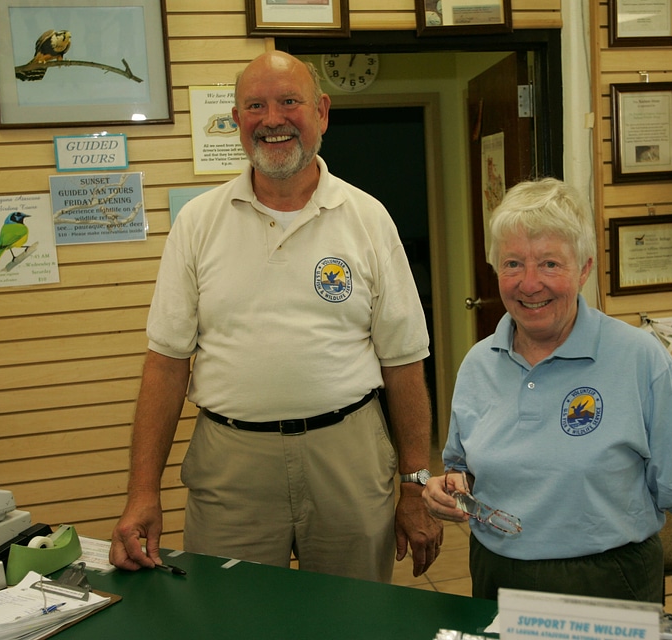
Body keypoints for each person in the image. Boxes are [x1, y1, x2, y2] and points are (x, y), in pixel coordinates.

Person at [109, 50, 442, 583]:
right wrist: (142, 493)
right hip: (231, 464)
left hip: (348, 456)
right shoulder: (198, 223)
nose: (273, 119)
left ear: (323, 112)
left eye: (290, 101)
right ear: (237, 120)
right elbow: (167, 365)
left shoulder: (367, 218)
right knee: (231, 616)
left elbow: (403, 362)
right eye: (255, 106)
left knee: (353, 619)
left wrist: (415, 481)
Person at [422, 178, 672, 618]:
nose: (530, 284)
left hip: (609, 583)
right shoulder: (477, 364)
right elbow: (462, 467)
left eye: (550, 264)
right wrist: (446, 487)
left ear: (584, 269)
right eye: (512, 263)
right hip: (496, 578)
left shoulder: (640, 359)